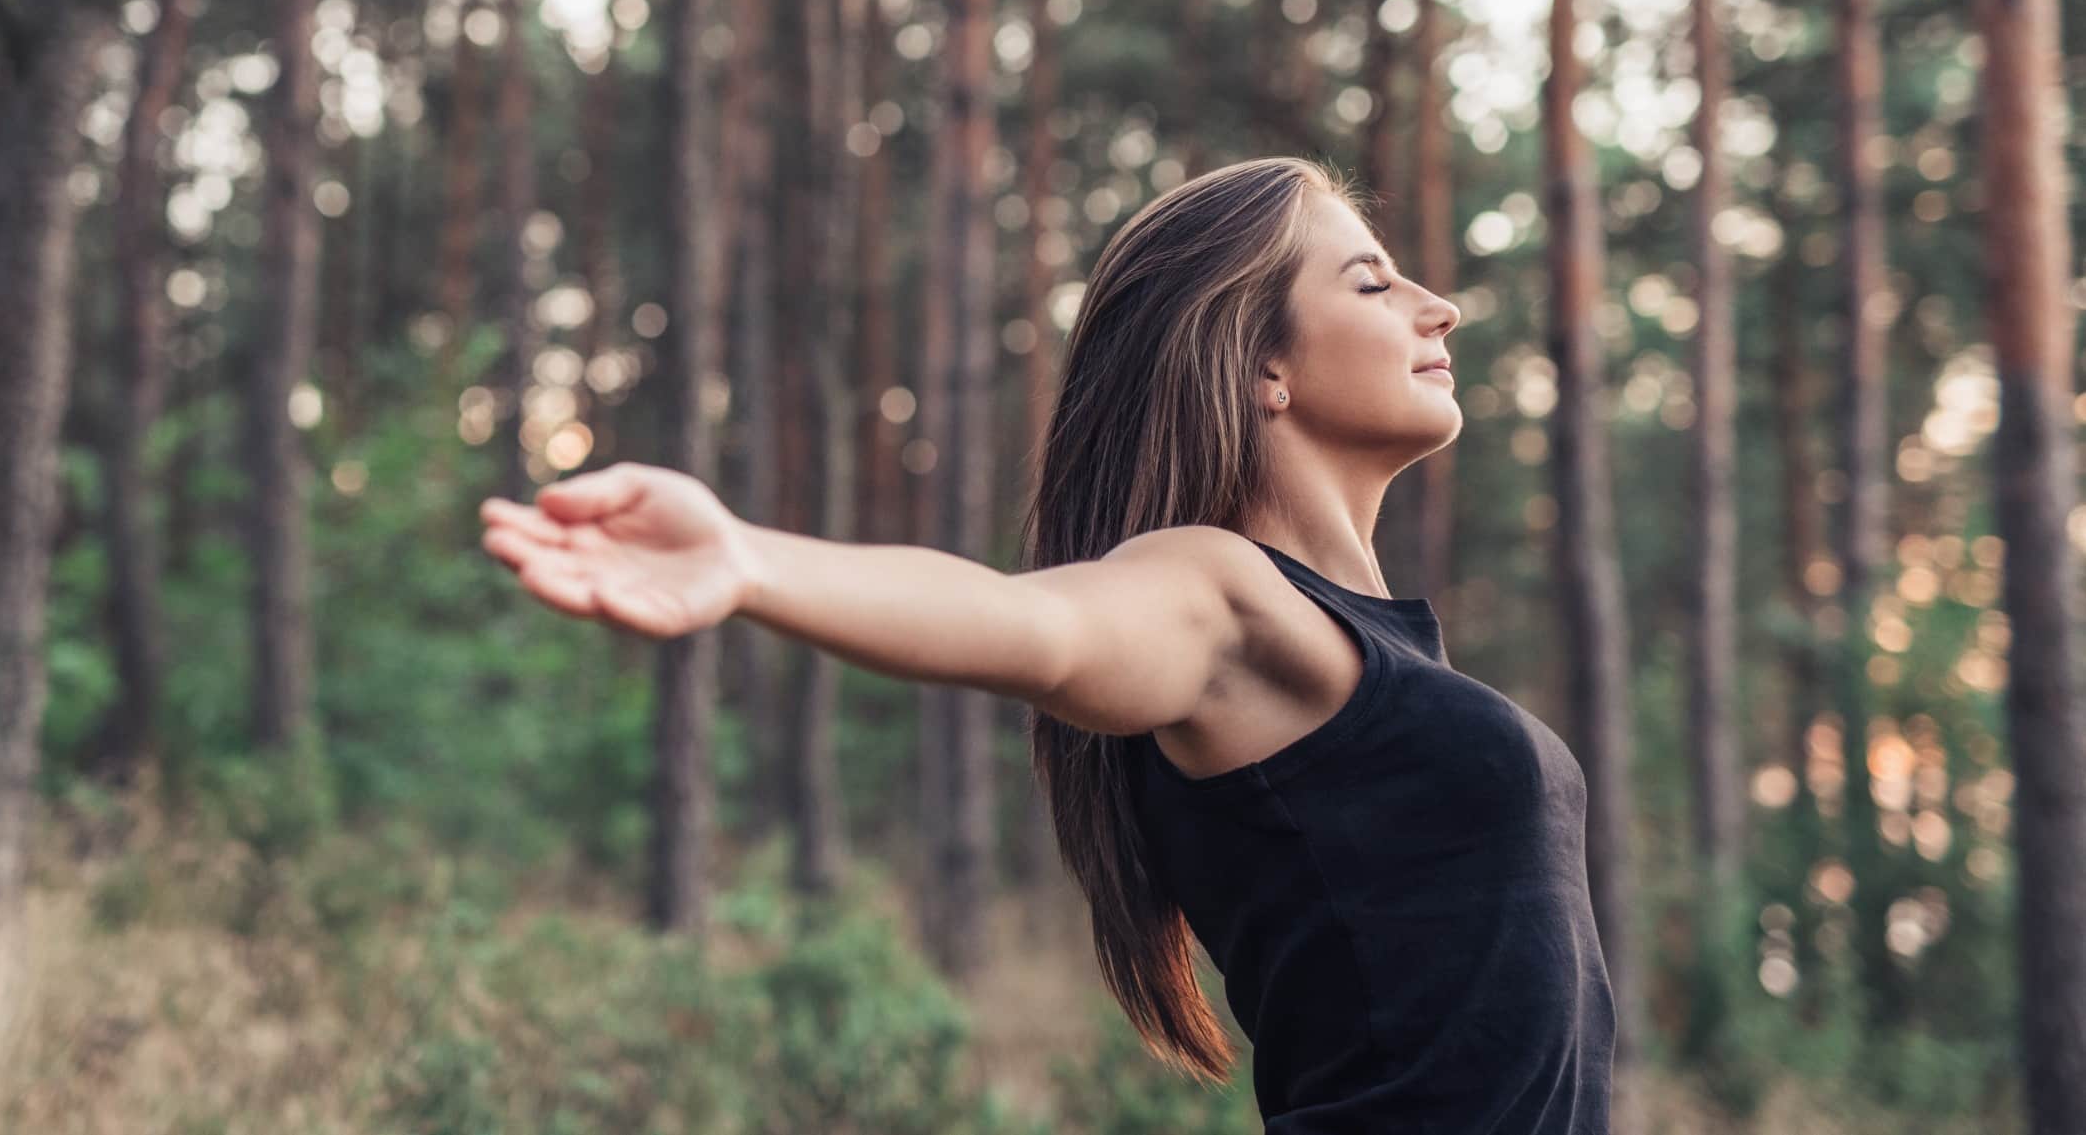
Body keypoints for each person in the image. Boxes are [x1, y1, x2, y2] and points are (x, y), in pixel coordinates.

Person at [480, 155, 1617, 1132]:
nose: (1438, 306)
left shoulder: (1370, 645)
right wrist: (748, 560)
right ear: (1259, 364)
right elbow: (1034, 622)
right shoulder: (1214, 589)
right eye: (1371, 281)